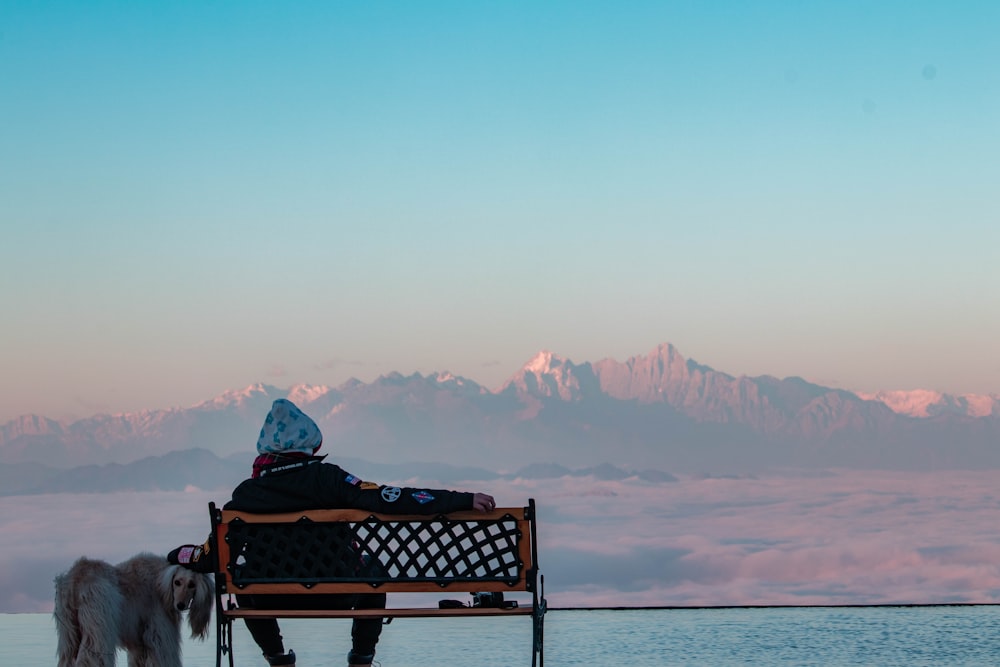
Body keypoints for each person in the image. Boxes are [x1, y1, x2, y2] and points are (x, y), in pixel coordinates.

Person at [171, 398, 495, 667]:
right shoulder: (329, 479)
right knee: (373, 569)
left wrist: (176, 555)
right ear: (309, 442)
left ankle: (277, 657)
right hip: (338, 590)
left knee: (239, 575)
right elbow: (390, 499)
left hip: (269, 596)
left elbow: (209, 558)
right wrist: (462, 500)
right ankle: (362, 659)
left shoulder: (246, 495)